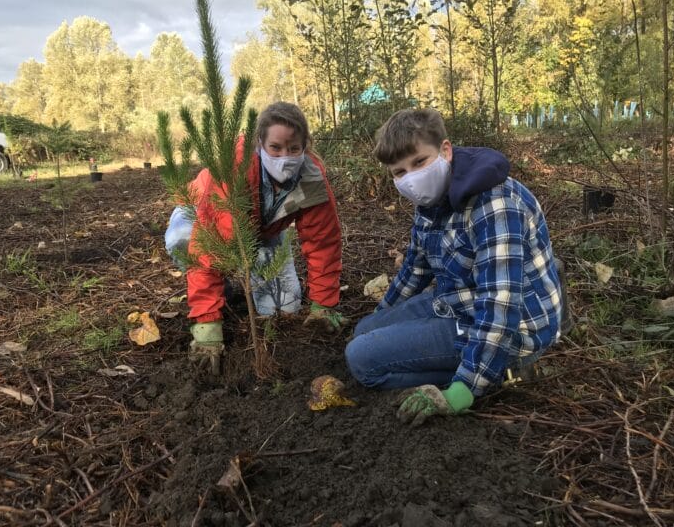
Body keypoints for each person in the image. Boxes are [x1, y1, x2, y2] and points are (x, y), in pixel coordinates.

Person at [345, 108, 566, 426]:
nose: (411, 178)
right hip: (460, 302)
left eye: (419, 162)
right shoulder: (432, 200)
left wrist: (464, 391)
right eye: (399, 172)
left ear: (445, 150)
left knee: (362, 361)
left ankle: (500, 373)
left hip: (515, 328)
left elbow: (500, 307)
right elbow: (415, 269)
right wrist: (381, 320)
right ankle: (461, 363)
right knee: (364, 332)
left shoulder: (494, 205)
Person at [167, 102, 345, 374]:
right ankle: (221, 294)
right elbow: (207, 247)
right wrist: (207, 325)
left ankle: (244, 281)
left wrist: (324, 304)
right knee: (181, 240)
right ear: (260, 143)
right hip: (201, 211)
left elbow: (323, 243)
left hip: (264, 230)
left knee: (283, 308)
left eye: (293, 148)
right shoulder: (235, 169)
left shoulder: (311, 176)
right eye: (275, 147)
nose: (285, 157)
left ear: (305, 146)